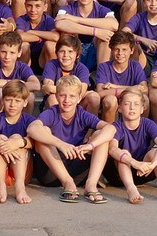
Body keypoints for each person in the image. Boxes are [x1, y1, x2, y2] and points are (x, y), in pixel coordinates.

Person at [30, 74, 117, 204]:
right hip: (53, 170)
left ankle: (91, 185)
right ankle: (67, 182)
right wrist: (61, 144)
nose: (67, 100)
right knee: (44, 132)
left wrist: (90, 145)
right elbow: (32, 129)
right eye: (62, 95)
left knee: (101, 135)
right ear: (56, 96)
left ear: (79, 98)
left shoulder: (82, 114)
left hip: (78, 167)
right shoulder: (51, 113)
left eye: (72, 96)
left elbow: (111, 129)